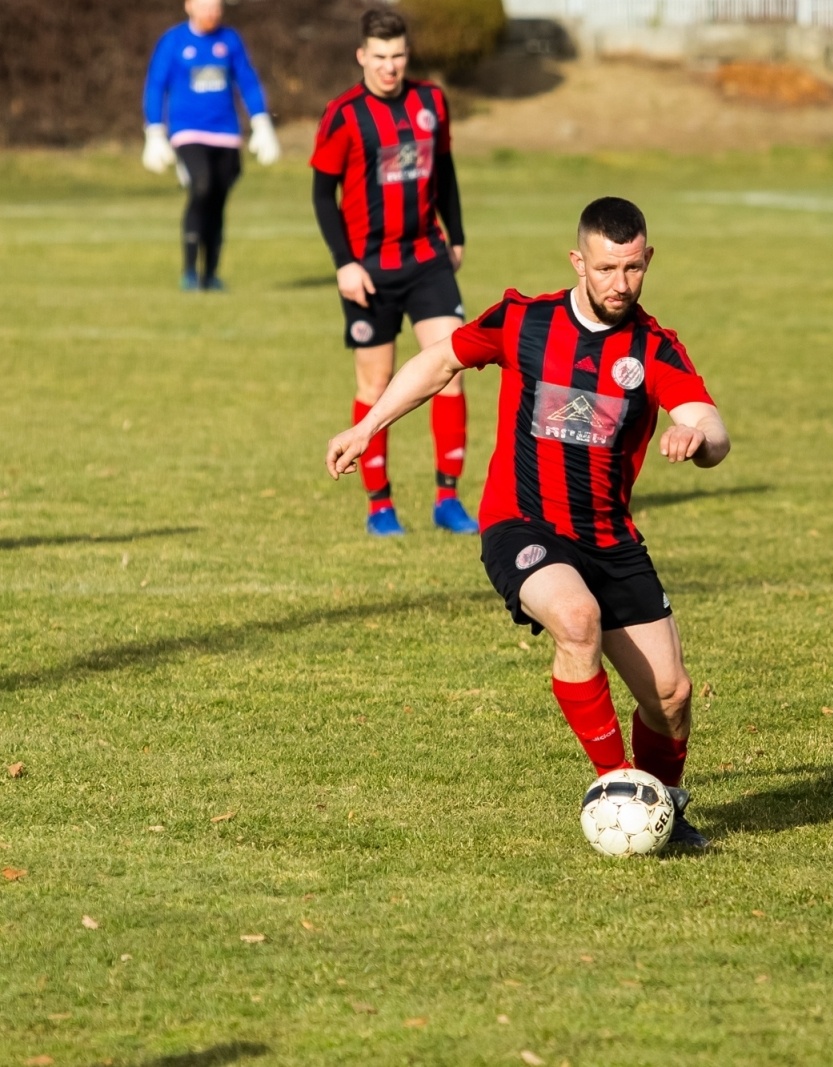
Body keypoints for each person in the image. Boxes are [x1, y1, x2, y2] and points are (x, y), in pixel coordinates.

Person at [325, 197, 730, 849]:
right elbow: (439, 360)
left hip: (610, 538)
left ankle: (663, 808)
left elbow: (709, 421)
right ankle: (616, 787)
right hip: (523, 524)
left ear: (648, 259)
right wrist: (368, 426)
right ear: (578, 262)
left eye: (632, 268)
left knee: (672, 695)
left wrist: (699, 438)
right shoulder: (525, 321)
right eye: (606, 268)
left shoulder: (653, 347)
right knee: (576, 619)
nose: (620, 283)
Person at [310, 8, 473, 537]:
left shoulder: (431, 102)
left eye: (398, 55)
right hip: (369, 269)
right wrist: (344, 263)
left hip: (427, 259)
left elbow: (444, 170)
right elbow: (322, 194)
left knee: (451, 370)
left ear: (407, 55)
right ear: (362, 55)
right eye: (379, 56)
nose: (389, 66)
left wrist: (456, 235)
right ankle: (380, 505)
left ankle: (447, 499)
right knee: (377, 383)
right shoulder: (343, 115)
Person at [142, 0, 279, 291]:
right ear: (189, 6)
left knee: (218, 198)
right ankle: (189, 271)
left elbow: (247, 81)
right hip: (188, 131)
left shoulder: (230, 40)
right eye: (205, 7)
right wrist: (154, 131)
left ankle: (211, 274)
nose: (211, 13)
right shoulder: (174, 41)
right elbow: (155, 85)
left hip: (226, 132)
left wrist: (261, 123)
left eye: (216, 7)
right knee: (201, 187)